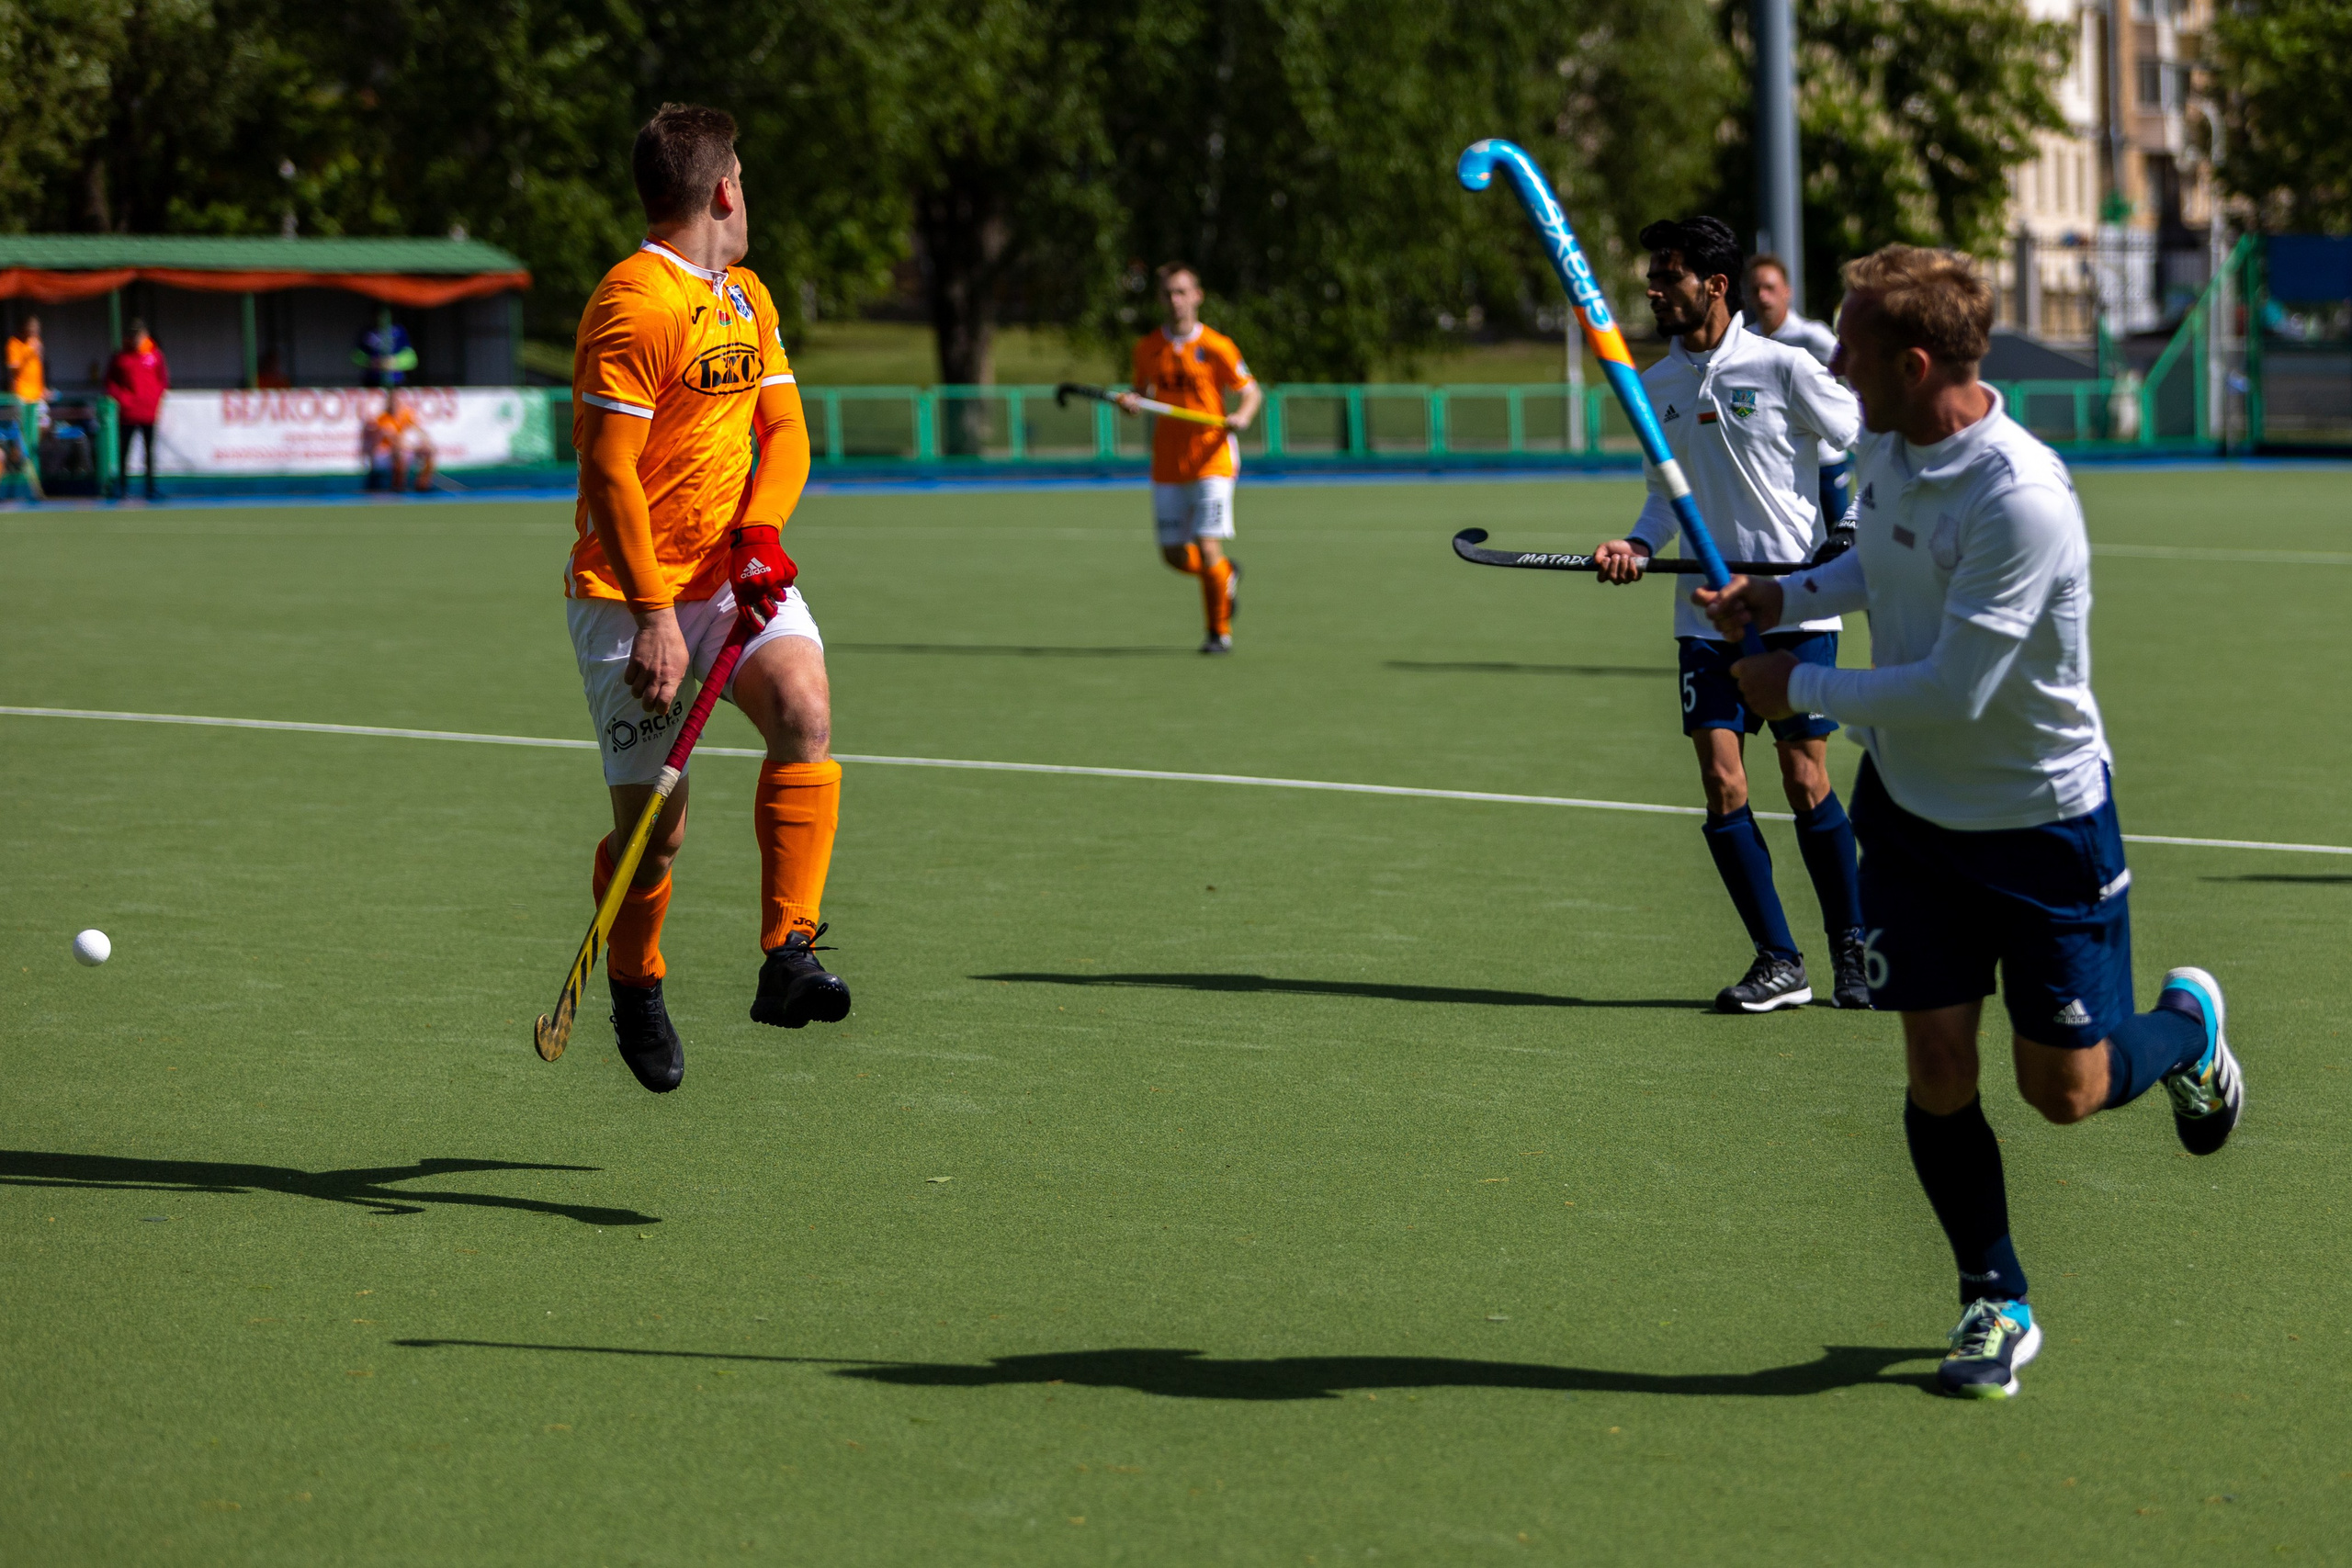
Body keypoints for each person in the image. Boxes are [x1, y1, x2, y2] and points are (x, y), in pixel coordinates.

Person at [1697, 243, 2243, 1399]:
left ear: (1913, 363)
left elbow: (1956, 688)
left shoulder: (2020, 498)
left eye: (1849, 347)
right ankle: (1993, 1296)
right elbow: (1870, 566)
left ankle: (2187, 1032)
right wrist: (1782, 594)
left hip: (2040, 823)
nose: (1831, 364)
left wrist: (1796, 685)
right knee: (1937, 1065)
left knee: (2065, 1093)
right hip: (1910, 818)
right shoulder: (1889, 448)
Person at [565, 101, 849, 1093]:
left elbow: (786, 432)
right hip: (628, 591)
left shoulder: (747, 297)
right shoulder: (634, 302)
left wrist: (760, 531)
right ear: (724, 189)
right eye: (746, 179)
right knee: (658, 835)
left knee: (805, 709)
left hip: (731, 575)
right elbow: (608, 472)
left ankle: (789, 955)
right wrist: (653, 615)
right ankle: (635, 981)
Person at [1589, 217, 1868, 1013]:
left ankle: (1853, 946)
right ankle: (1780, 959)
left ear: (1714, 285)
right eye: (1651, 275)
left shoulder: (1785, 366)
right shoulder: (1653, 387)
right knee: (1721, 780)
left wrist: (1850, 525)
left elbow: (1868, 439)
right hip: (1705, 613)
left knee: (1805, 778)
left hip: (1795, 604)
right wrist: (1636, 546)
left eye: (1667, 276)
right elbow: (1663, 499)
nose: (1652, 289)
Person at [1117, 263, 1262, 654]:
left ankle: (1218, 633)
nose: (1175, 300)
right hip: (1168, 462)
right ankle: (1224, 575)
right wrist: (1131, 403)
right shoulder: (1148, 348)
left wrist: (1242, 416)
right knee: (1174, 555)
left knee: (1207, 544)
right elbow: (1140, 394)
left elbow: (1251, 391)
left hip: (1212, 458)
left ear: (1197, 296)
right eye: (1168, 293)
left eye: (1182, 292)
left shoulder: (1217, 346)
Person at [1744, 254, 1855, 547]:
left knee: (1840, 541)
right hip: (1777, 463)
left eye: (1769, 287)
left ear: (1787, 292)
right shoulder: (1745, 341)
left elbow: (1853, 372)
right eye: (1755, 289)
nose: (1762, 296)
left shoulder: (1812, 336)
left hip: (1825, 460)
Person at [105, 319, 170, 501]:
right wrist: (123, 399)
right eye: (133, 335)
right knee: (124, 451)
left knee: (150, 452)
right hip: (128, 414)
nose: (136, 339)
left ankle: (150, 488)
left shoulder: (154, 355)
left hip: (149, 413)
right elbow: (110, 383)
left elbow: (163, 381)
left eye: (139, 334)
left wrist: (153, 399)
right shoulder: (121, 357)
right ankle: (122, 488)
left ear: (144, 335)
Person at [6, 314, 48, 502]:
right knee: (21, 436)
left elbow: (38, 369)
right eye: (30, 331)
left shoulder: (37, 343)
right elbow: (14, 368)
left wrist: (43, 388)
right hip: (21, 396)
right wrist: (29, 352)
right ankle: (18, 462)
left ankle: (25, 458)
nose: (33, 334)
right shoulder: (14, 345)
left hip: (36, 396)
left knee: (44, 427)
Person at [365, 387, 436, 492]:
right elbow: (394, 440)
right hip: (386, 452)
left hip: (404, 448)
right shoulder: (383, 418)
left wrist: (425, 442)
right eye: (392, 400)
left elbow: (418, 429)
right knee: (399, 453)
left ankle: (422, 485)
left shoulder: (405, 414)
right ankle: (398, 486)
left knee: (427, 451)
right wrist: (409, 447)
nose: (394, 403)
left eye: (396, 400)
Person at [354, 308, 417, 388]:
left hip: (396, 381)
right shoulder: (368, 332)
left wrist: (395, 361)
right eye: (379, 315)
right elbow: (356, 355)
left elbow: (411, 358)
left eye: (385, 315)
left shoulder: (399, 331)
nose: (381, 318)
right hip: (372, 381)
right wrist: (371, 361)